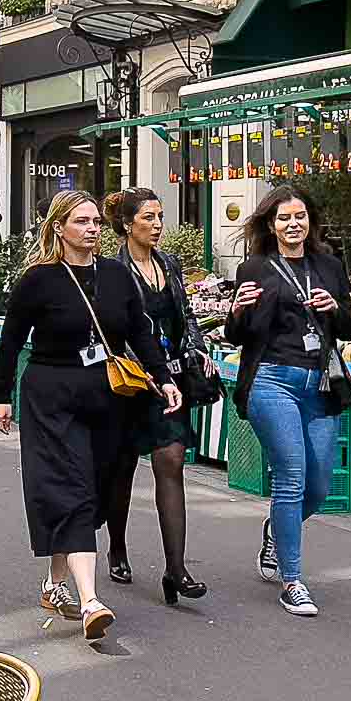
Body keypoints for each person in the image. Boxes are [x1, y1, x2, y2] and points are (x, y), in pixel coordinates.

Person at [0, 190, 181, 643]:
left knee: (95, 490)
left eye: (96, 221)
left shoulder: (115, 275)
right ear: (58, 227)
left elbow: (139, 332)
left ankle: (55, 583)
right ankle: (91, 600)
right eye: (81, 221)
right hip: (51, 396)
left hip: (107, 395)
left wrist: (164, 378)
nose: (92, 228)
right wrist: (2, 397)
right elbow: (12, 340)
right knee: (72, 488)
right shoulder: (39, 279)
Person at [224, 185, 351, 619]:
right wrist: (237, 311)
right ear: (271, 225)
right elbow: (236, 336)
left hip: (320, 383)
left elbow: (350, 328)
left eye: (299, 216)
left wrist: (333, 307)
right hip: (271, 380)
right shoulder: (254, 268)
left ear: (310, 221)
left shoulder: (329, 265)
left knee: (317, 488)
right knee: (291, 477)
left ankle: (276, 531)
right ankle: (293, 581)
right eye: (284, 218)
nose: (293, 224)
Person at [103, 187, 213, 604]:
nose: (157, 225)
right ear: (127, 224)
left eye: (160, 217)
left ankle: (175, 569)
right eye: (148, 218)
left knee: (171, 460)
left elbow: (186, 314)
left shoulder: (169, 263)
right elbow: (112, 328)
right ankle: (116, 546)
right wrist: (142, 366)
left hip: (170, 379)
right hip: (130, 382)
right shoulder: (112, 269)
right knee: (122, 470)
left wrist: (197, 348)